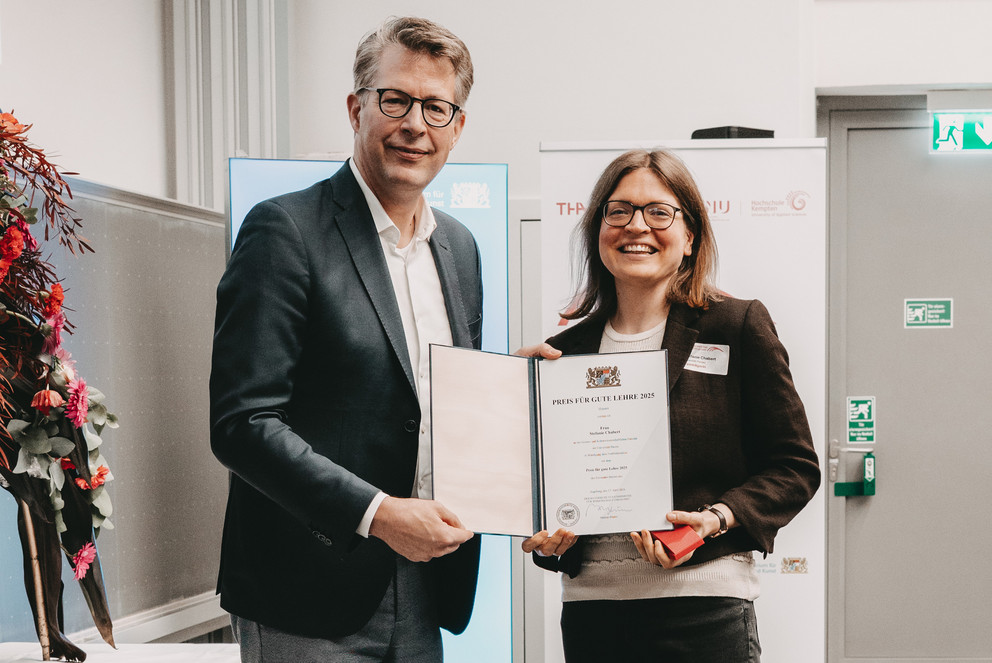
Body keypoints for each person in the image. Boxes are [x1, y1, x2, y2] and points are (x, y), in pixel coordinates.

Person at [209, 16, 482, 663]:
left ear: (457, 126)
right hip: (304, 590)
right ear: (357, 107)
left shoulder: (460, 250)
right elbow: (243, 422)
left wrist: (515, 398)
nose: (416, 122)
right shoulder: (285, 232)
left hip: (424, 588)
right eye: (396, 99)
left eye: (436, 106)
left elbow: (435, 404)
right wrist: (380, 513)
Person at [520, 149, 821, 662]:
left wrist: (717, 518)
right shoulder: (562, 355)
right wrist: (547, 534)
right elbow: (542, 491)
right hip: (594, 614)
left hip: (705, 609)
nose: (637, 226)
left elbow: (795, 468)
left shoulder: (736, 325)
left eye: (659, 212)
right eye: (619, 211)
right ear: (598, 230)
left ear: (690, 238)